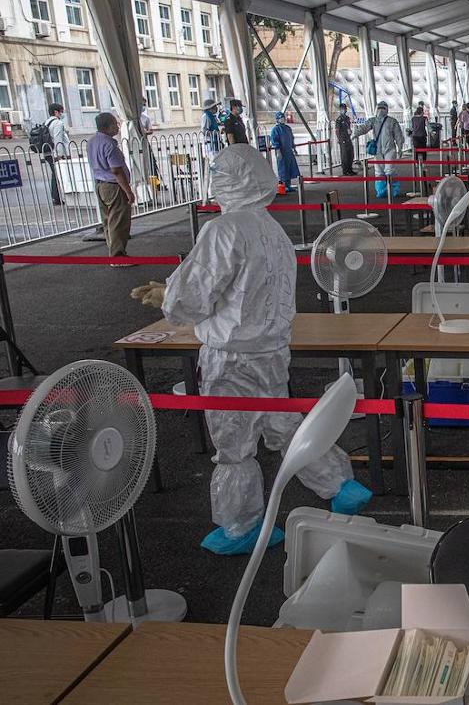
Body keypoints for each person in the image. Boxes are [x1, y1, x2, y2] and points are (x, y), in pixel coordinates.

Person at [129, 145, 371, 555]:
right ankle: (340, 484)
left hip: (231, 357)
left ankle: (242, 526)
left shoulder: (223, 230)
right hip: (272, 350)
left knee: (234, 443)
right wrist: (171, 290)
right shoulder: (271, 230)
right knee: (281, 424)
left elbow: (195, 295)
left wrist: (167, 297)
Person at [86, 112, 135, 260]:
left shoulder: (92, 141)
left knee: (108, 220)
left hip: (100, 184)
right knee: (119, 221)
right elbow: (116, 170)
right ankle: (118, 255)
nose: (118, 126)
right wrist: (128, 191)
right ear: (108, 126)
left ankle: (112, 249)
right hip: (113, 186)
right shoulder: (109, 144)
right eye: (115, 123)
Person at [353, 100, 404, 199]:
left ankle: (390, 190)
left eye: (382, 108)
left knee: (389, 170)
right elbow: (364, 128)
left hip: (389, 149)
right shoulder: (374, 121)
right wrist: (355, 133)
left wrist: (400, 147)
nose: (381, 110)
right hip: (381, 150)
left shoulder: (390, 121)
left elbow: (398, 135)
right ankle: (384, 191)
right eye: (380, 108)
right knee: (380, 171)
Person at [35, 104, 69, 205]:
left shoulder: (47, 122)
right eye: (61, 112)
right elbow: (58, 139)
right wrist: (60, 154)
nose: (62, 114)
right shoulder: (57, 123)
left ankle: (56, 197)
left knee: (55, 174)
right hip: (55, 153)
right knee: (57, 174)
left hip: (47, 152)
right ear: (56, 112)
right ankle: (56, 197)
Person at [268, 112, 299, 194]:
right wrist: (278, 151)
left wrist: (294, 148)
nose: (283, 119)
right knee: (282, 168)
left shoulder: (287, 128)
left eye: (283, 117)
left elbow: (291, 138)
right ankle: (283, 186)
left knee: (289, 167)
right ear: (277, 119)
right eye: (280, 118)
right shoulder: (276, 129)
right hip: (281, 151)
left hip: (289, 151)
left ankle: (288, 185)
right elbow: (274, 140)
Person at [335, 103, 355, 175]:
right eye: (342, 108)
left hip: (348, 138)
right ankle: (345, 170)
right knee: (345, 155)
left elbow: (349, 127)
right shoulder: (339, 119)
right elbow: (337, 130)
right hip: (342, 139)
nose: (344, 110)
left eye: (345, 108)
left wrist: (350, 131)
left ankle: (350, 169)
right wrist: (339, 138)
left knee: (351, 154)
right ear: (340, 110)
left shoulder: (347, 118)